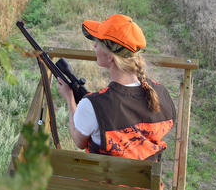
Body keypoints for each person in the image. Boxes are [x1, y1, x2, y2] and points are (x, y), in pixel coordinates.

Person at [56, 14, 176, 161]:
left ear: (111, 57)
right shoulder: (161, 93)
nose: (94, 45)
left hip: (102, 183)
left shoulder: (93, 105)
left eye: (98, 42)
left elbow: (79, 141)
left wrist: (70, 99)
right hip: (147, 183)